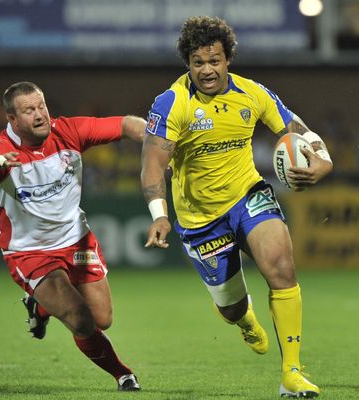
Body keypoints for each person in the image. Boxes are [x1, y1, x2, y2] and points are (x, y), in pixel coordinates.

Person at [140, 16, 333, 398]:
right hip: (199, 217)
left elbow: (294, 129)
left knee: (281, 267)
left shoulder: (252, 93)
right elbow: (151, 166)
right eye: (198, 62)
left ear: (228, 59)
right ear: (188, 65)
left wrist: (322, 158)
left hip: (248, 195)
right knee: (230, 308)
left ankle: (292, 374)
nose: (207, 70)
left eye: (214, 61)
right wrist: (159, 215)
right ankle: (244, 319)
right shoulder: (171, 103)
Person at [0, 82, 146, 391]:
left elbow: (125, 124)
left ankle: (40, 306)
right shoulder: (2, 148)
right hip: (30, 252)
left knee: (103, 319)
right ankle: (124, 374)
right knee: (81, 321)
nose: (40, 115)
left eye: (41, 106)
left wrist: (157, 137)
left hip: (76, 239)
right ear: (12, 119)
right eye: (29, 111)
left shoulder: (68, 131)